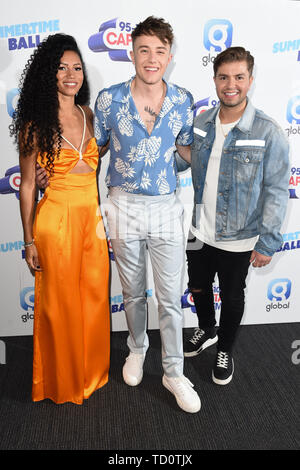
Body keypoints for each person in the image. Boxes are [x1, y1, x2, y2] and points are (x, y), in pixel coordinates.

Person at [94, 16, 200, 413]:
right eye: (144, 50)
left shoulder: (183, 100)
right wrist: (57, 167)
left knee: (171, 298)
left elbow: (187, 151)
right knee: (133, 291)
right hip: (121, 205)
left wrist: (217, 159)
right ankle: (136, 349)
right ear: (131, 53)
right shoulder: (109, 99)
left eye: (159, 51)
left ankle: (173, 371)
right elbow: (97, 149)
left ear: (169, 56)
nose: (151, 59)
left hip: (165, 207)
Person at [177, 46, 290, 385]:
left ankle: (224, 347)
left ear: (250, 80)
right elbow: (185, 160)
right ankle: (206, 329)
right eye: (224, 77)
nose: (231, 84)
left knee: (232, 295)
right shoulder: (201, 122)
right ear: (214, 80)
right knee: (197, 286)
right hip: (199, 227)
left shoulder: (267, 131)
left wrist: (268, 242)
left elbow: (276, 190)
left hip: (240, 235)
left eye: (239, 77)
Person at [10, 33, 110, 404]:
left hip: (92, 220)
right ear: (47, 74)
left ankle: (91, 372)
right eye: (62, 67)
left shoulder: (88, 114)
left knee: (95, 297)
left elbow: (94, 171)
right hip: (56, 222)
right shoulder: (35, 124)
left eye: (77, 67)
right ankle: (61, 380)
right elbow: (25, 188)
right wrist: (28, 239)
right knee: (61, 304)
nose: (72, 74)